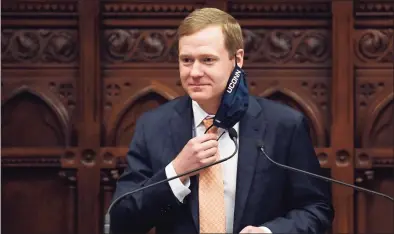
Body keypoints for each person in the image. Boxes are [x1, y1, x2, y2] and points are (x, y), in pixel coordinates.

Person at [110, 7, 334, 234]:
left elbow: (317, 209)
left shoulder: (285, 125)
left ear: (237, 59)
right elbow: (121, 220)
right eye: (186, 60)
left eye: (207, 60)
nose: (194, 72)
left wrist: (270, 233)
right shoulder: (153, 126)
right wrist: (176, 172)